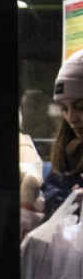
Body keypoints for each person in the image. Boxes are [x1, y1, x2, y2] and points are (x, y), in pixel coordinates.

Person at [44, 52, 83, 216]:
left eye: (80, 107)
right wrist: (69, 197)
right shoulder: (67, 155)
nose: (71, 118)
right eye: (64, 108)